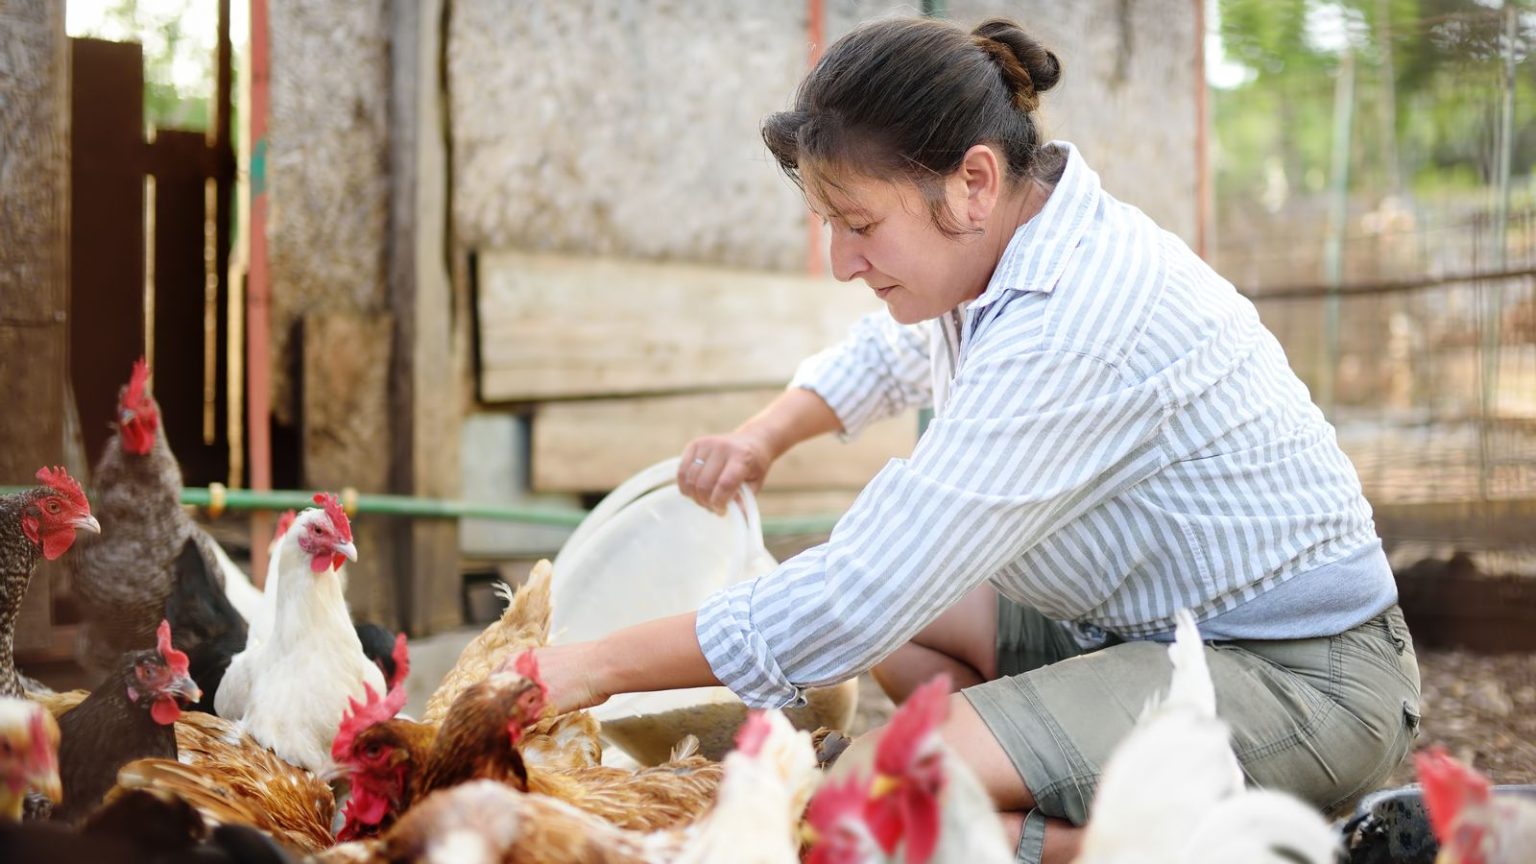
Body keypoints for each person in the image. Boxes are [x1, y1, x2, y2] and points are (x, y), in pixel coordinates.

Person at [534, 15, 1420, 864]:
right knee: (897, 636)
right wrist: (764, 438)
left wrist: (585, 668)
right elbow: (891, 355)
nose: (843, 261)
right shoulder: (1012, 244)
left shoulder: (1073, 321)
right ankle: (1031, 765)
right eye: (830, 227)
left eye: (861, 225)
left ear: (974, 182)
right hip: (1143, 628)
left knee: (867, 810)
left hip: (1299, 678)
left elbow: (858, 593)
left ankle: (1217, 845)